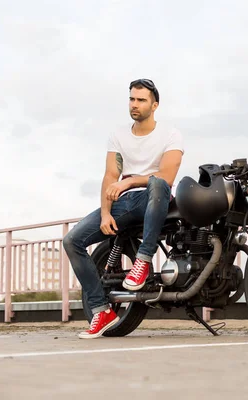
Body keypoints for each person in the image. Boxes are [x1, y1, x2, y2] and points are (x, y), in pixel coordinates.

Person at [63, 79, 184, 339]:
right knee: (72, 240)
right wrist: (106, 212)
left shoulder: (171, 134)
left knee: (157, 184)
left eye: (141, 100)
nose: (135, 104)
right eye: (132, 99)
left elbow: (166, 176)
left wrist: (130, 180)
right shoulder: (118, 135)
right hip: (124, 203)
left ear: (155, 105)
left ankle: (143, 260)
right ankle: (101, 310)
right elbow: (109, 176)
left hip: (154, 199)